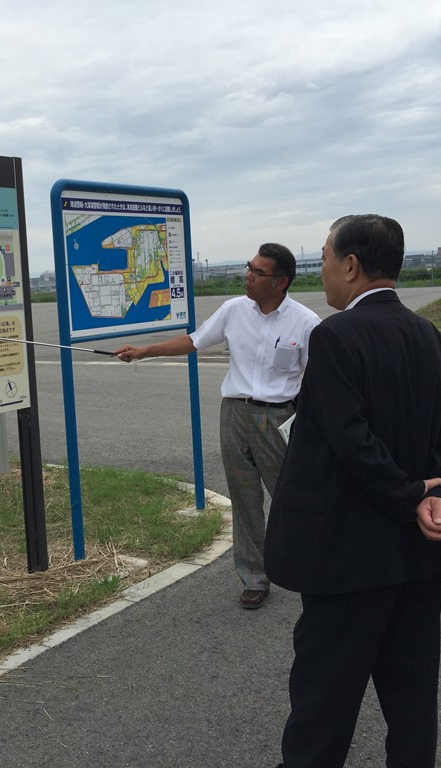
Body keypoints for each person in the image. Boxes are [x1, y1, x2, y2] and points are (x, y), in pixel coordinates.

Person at [265, 215, 441, 768]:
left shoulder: (335, 337)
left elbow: (351, 440)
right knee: (412, 699)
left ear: (352, 266)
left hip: (347, 555)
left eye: (325, 258)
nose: (322, 270)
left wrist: (408, 494)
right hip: (419, 554)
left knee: (323, 703)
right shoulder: (433, 338)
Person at [115, 242, 320, 609]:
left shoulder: (305, 323)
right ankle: (255, 578)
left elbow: (318, 378)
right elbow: (193, 341)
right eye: (249, 268)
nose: (248, 276)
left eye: (258, 272)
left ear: (281, 282)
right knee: (243, 498)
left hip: (278, 418)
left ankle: (311, 568)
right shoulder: (233, 310)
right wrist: (144, 352)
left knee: (289, 497)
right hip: (234, 415)